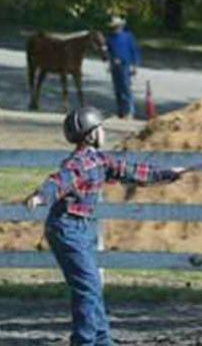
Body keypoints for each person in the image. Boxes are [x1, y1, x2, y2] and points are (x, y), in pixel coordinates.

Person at [25, 106, 182, 345]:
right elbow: (58, 181)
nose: (104, 132)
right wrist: (41, 196)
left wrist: (167, 174)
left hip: (80, 229)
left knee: (91, 286)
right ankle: (85, 341)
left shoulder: (98, 161)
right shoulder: (79, 163)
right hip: (67, 230)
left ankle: (101, 339)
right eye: (100, 128)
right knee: (87, 288)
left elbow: (131, 172)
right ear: (90, 134)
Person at [105, 16, 141, 119]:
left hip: (125, 65)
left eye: (117, 26)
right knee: (117, 89)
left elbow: (134, 51)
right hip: (114, 66)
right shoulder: (110, 38)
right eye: (114, 27)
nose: (115, 29)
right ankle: (120, 111)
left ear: (121, 26)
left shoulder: (128, 36)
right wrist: (109, 62)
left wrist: (135, 65)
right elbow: (107, 52)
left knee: (126, 88)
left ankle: (129, 111)